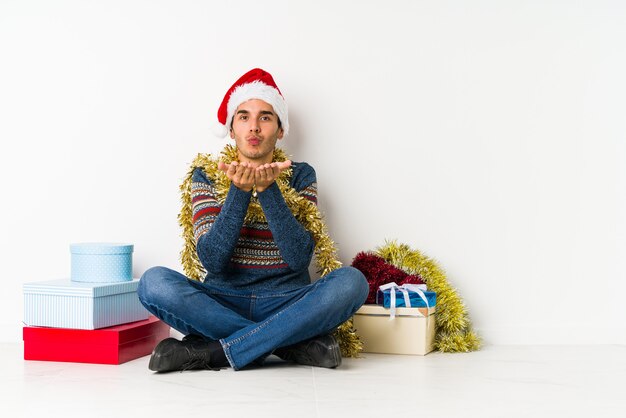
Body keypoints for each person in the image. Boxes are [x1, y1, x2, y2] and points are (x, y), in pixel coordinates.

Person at [138, 68, 369, 372]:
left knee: (351, 283)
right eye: (244, 117)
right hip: (222, 300)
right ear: (231, 129)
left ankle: (216, 352)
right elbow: (213, 260)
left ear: (280, 129)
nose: (254, 128)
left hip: (287, 299)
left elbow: (299, 259)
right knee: (153, 283)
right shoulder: (206, 174)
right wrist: (240, 191)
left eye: (265, 117)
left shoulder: (301, 175)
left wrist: (268, 190)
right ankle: (289, 343)